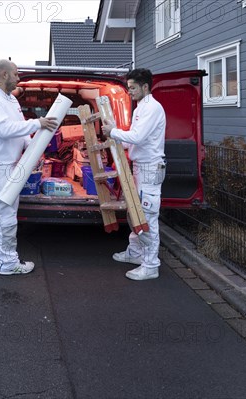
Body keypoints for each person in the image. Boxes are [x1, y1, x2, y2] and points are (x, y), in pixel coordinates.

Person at [0, 59, 58, 275]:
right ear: (4, 75)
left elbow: (18, 131)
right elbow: (4, 129)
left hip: (3, 166)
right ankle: (9, 263)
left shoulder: (10, 100)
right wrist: (37, 123)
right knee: (7, 217)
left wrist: (33, 147)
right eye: (16, 74)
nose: (18, 78)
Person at [102, 68, 166, 281]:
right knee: (135, 213)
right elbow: (131, 139)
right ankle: (136, 253)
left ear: (145, 87)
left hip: (149, 168)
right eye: (128, 88)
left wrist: (113, 132)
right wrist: (115, 138)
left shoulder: (152, 108)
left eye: (132, 88)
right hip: (141, 167)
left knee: (146, 217)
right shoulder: (141, 109)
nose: (129, 92)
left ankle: (150, 265)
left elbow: (137, 137)